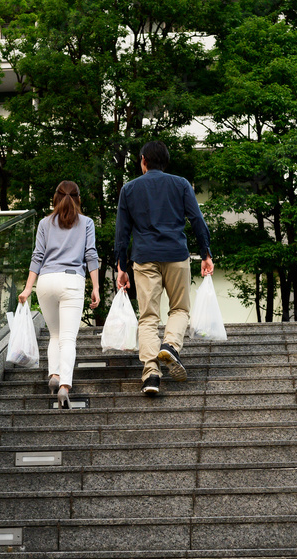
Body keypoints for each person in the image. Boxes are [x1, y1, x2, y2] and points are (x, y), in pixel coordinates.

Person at [114, 140, 213, 396]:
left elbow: (122, 232)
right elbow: (197, 220)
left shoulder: (129, 188)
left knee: (148, 317)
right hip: (176, 255)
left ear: (144, 160)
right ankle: (170, 344)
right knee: (179, 308)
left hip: (144, 256)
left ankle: (151, 375)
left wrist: (121, 265)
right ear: (165, 161)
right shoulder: (180, 183)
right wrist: (205, 253)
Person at [19, 180, 100, 408]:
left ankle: (53, 374)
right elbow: (90, 254)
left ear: (55, 198)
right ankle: (64, 384)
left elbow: (37, 256)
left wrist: (27, 288)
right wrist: (95, 287)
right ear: (78, 198)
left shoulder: (45, 223)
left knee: (54, 334)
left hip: (46, 281)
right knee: (67, 338)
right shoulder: (87, 223)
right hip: (71, 281)